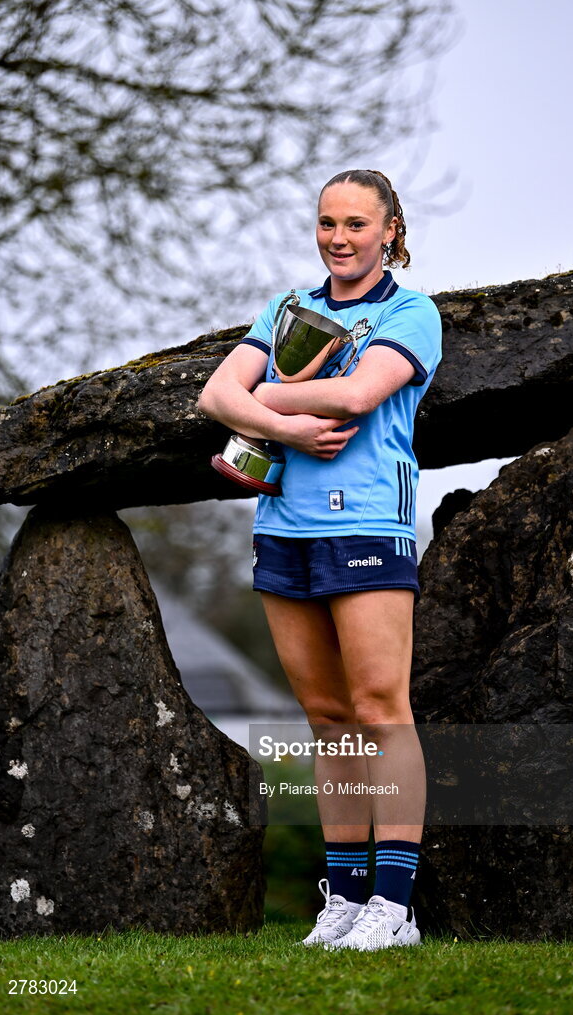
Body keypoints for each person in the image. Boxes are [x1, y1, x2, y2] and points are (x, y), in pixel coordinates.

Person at [198, 169, 442, 951]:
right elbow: (213, 396)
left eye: (357, 225)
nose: (340, 238)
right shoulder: (285, 308)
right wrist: (293, 425)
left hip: (370, 523)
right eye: (328, 222)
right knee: (330, 721)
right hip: (283, 527)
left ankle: (394, 909)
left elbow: (359, 396)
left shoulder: (412, 312)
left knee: (380, 710)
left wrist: (263, 398)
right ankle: (344, 897)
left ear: (391, 231)